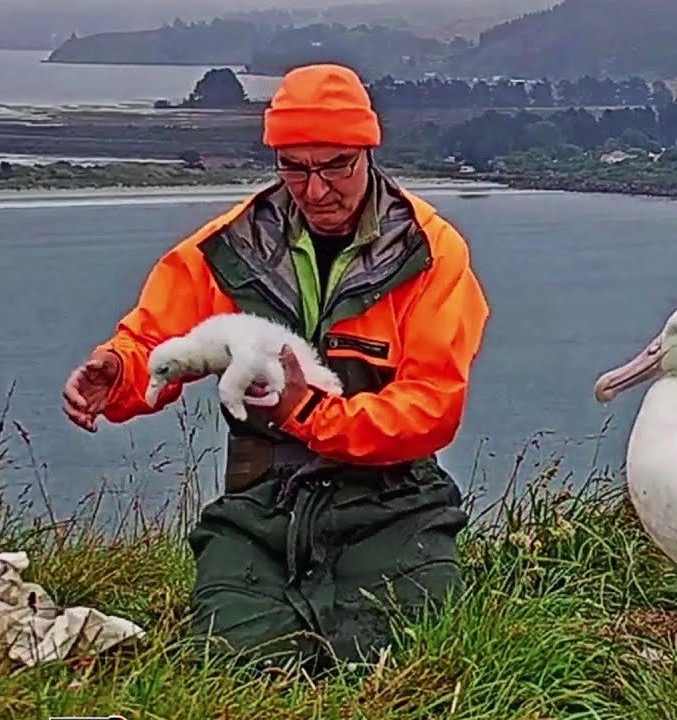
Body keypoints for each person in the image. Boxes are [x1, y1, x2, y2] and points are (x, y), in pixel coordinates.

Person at [60, 63, 490, 669]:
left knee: (394, 655)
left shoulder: (431, 253)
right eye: (295, 167)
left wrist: (313, 413)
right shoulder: (227, 247)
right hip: (262, 503)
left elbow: (432, 406)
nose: (316, 190)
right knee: (234, 660)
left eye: (336, 164)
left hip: (395, 503)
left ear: (367, 150)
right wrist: (120, 371)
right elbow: (160, 333)